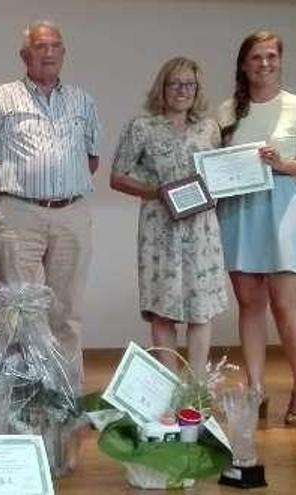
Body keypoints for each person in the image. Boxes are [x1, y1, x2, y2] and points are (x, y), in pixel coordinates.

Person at [0, 20, 102, 389]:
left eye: (55, 46)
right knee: (19, 311)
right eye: (40, 46)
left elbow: (91, 158)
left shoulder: (83, 100)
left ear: (63, 53)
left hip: (72, 212)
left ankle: (64, 397)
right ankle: (22, 396)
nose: (48, 53)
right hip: (19, 211)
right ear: (24, 55)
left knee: (67, 311)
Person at [110, 57, 228, 377]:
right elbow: (117, 177)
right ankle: (170, 387)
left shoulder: (210, 128)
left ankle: (197, 388)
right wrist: (156, 192)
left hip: (201, 230)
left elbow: (221, 175)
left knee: (200, 312)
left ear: (197, 89)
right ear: (162, 87)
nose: (182, 90)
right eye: (175, 83)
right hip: (159, 229)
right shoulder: (142, 127)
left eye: (189, 84)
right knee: (163, 313)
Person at [217, 31, 296, 424]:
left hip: (283, 213)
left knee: (285, 306)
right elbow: (214, 164)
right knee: (249, 304)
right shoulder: (227, 111)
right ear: (243, 65)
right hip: (239, 213)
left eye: (270, 56)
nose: (264, 64)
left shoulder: (294, 107)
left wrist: (282, 165)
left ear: (279, 60)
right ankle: (257, 389)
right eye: (255, 58)